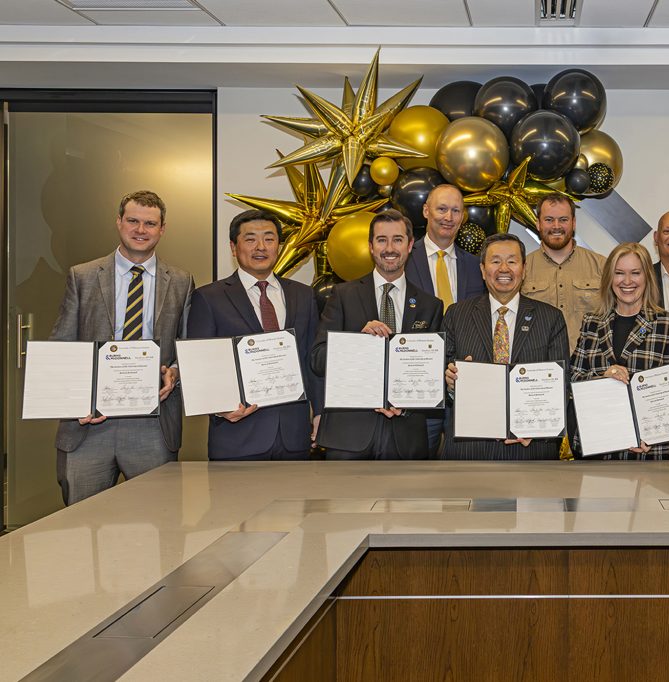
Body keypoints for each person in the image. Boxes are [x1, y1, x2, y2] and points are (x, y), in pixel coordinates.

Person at [50, 190, 193, 504]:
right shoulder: (83, 276)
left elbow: (186, 346)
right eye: (133, 221)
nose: (141, 230)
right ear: (118, 222)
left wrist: (176, 373)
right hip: (89, 422)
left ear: (162, 229)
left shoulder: (181, 281)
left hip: (152, 425)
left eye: (150, 223)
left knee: (157, 525)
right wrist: (75, 404)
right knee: (82, 526)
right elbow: (61, 346)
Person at [187, 209, 322, 461]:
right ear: (233, 247)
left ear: (279, 246)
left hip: (293, 437)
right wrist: (218, 408)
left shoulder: (303, 296)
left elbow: (311, 360)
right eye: (250, 239)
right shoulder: (209, 298)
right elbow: (198, 366)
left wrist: (320, 412)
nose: (261, 247)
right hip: (237, 435)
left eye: (269, 239)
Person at [310, 210, 444, 460]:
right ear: (370, 246)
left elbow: (434, 372)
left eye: (398, 239)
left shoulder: (430, 305)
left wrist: (406, 405)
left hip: (405, 436)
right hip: (350, 435)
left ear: (410, 245)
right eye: (382, 240)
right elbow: (317, 359)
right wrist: (358, 343)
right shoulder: (342, 295)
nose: (389, 248)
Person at [442, 233, 569, 460]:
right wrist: (450, 382)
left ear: (524, 268)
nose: (504, 269)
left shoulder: (551, 319)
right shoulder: (456, 314)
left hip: (530, 451)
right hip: (470, 451)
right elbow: (442, 381)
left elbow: (561, 385)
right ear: (482, 270)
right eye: (495, 261)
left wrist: (539, 430)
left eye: (512, 261)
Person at [569, 242, 669, 460]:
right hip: (597, 450)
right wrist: (602, 378)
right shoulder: (592, 322)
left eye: (635, 273)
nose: (627, 281)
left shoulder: (668, 323)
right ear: (609, 278)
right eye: (619, 273)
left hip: (650, 453)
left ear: (647, 278)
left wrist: (653, 435)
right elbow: (573, 379)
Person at [405, 184, 485, 454]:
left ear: (463, 217)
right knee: (416, 478)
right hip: (417, 387)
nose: (448, 217)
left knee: (462, 477)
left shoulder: (477, 267)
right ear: (426, 211)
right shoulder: (402, 261)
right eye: (441, 209)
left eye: (455, 211)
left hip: (464, 384)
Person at [522, 193, 605, 349]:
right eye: (548, 220)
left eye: (563, 219)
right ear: (538, 224)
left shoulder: (601, 266)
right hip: (539, 366)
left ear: (573, 223)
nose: (556, 226)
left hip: (589, 366)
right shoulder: (522, 269)